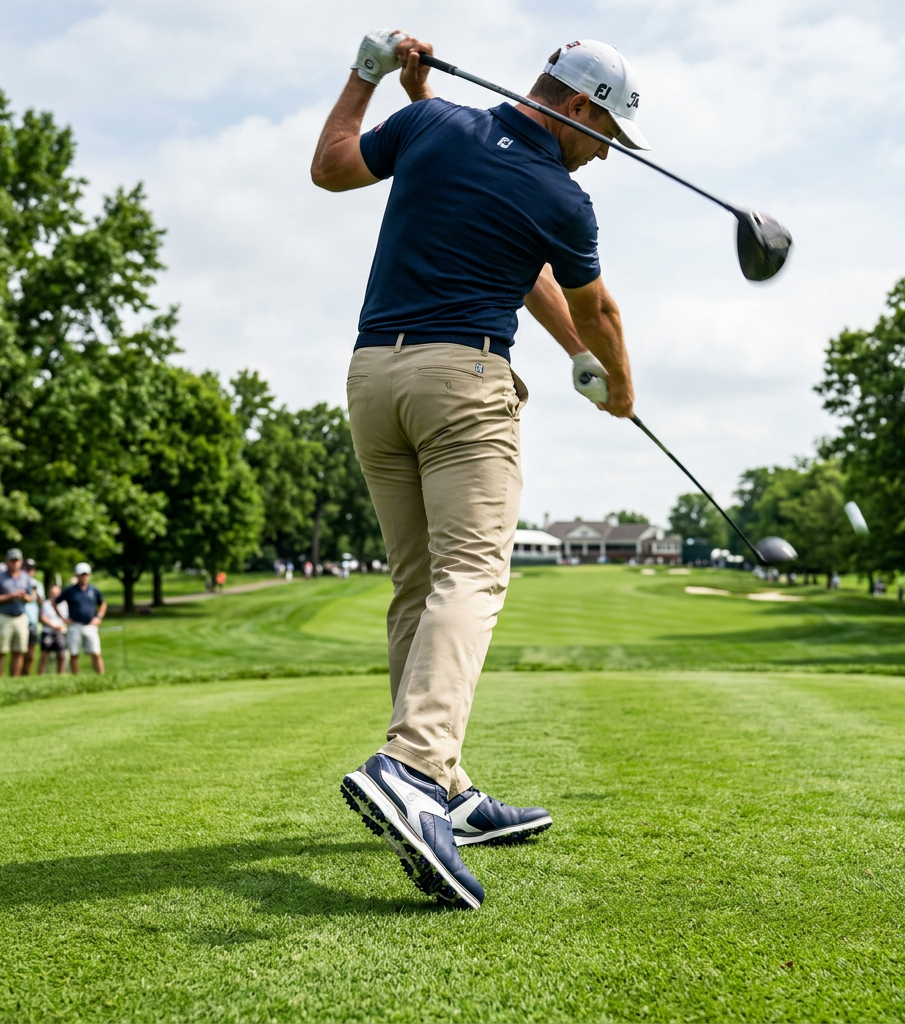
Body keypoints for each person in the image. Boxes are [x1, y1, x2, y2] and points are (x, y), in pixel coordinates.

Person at [312, 31, 641, 908]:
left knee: (418, 587)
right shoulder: (562, 196)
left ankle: (446, 791)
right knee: (471, 575)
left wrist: (374, 76)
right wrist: (617, 383)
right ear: (576, 106)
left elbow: (335, 165)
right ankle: (413, 769)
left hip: (374, 378)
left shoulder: (436, 128)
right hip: (464, 382)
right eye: (606, 133)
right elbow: (595, 302)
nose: (604, 155)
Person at [58, 563, 106, 675]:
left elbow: (103, 604)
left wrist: (99, 617)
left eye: (86, 575)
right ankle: (76, 678)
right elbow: (55, 602)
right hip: (75, 625)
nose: (84, 577)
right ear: (77, 575)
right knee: (74, 653)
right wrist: (63, 618)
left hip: (90, 625)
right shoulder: (70, 591)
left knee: (96, 652)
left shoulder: (94, 590)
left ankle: (101, 677)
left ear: (89, 575)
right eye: (81, 575)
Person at [0, 548, 35, 676]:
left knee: (19, 650)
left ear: (21, 562)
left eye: (17, 560)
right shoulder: (1, 576)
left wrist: (25, 597)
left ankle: (15, 680)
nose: (15, 563)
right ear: (7, 562)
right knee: (1, 651)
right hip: (3, 617)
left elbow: (31, 597)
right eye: (12, 560)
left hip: (20, 617)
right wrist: (12, 595)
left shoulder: (25, 577)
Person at [19, 558, 46, 675]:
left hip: (33, 622)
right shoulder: (19, 582)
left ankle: (26, 676)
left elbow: (42, 603)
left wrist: (36, 594)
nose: (29, 570)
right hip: (21, 619)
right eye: (27, 568)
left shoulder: (38, 584)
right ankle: (16, 677)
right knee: (19, 652)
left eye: (32, 568)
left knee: (30, 654)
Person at [38, 584, 69, 674]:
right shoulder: (46, 604)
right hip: (47, 632)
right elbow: (42, 617)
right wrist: (54, 626)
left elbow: (66, 618)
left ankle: (61, 675)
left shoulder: (64, 604)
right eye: (53, 593)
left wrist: (61, 625)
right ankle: (41, 675)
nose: (55, 595)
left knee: (61, 656)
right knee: (44, 656)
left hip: (60, 632)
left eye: (57, 593)